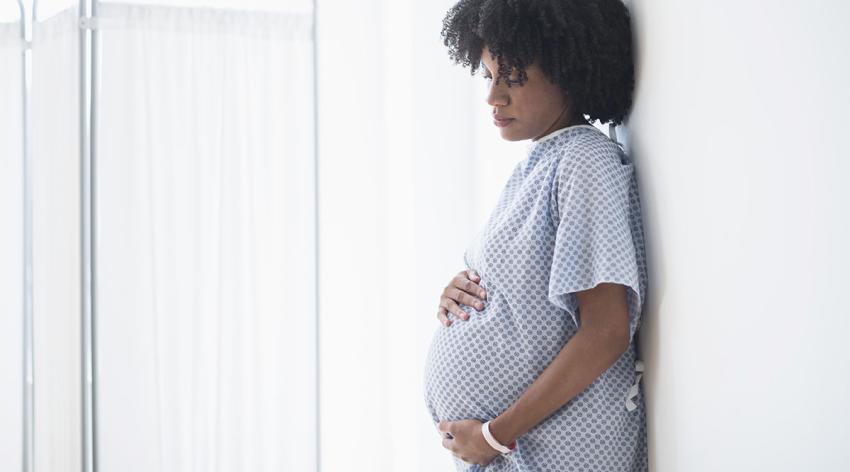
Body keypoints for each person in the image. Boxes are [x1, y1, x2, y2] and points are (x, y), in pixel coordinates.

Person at [422, 0, 648, 470]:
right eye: (489, 75)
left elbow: (605, 331)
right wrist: (458, 294)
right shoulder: (543, 162)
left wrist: (494, 435)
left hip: (562, 451)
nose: (493, 97)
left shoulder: (583, 162)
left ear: (569, 69)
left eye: (515, 76)